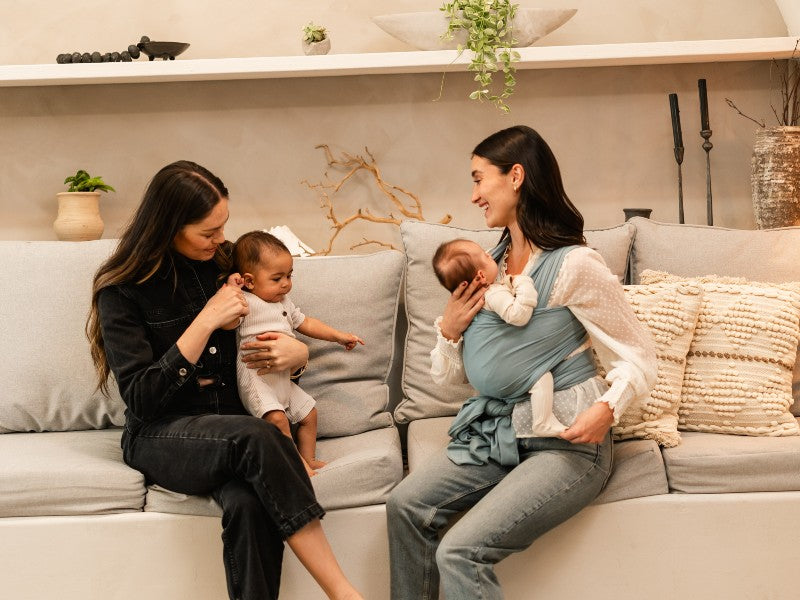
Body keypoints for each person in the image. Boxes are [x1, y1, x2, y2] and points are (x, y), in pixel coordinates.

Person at [387, 126, 657, 599]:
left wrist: (607, 409)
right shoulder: (485, 263)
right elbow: (456, 367)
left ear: (515, 176)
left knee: (459, 551)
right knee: (405, 505)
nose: (472, 195)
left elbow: (639, 354)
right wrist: (449, 332)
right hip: (500, 433)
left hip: (566, 443)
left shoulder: (574, 265)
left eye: (478, 179)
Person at [86, 160, 363, 600]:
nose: (220, 242)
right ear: (169, 225)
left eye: (222, 228)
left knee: (250, 503)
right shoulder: (123, 290)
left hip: (235, 424)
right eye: (207, 232)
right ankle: (344, 592)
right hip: (163, 434)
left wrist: (299, 355)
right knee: (254, 437)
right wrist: (206, 320)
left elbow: (275, 330)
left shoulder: (227, 263)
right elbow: (142, 399)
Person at [230, 230, 364, 477]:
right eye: (277, 278)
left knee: (309, 413)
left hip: (282, 379)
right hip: (256, 378)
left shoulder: (284, 303)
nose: (286, 284)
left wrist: (338, 336)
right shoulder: (244, 302)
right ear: (249, 281)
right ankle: (297, 467)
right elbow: (226, 324)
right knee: (278, 422)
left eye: (289, 276)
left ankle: (308, 458)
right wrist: (231, 292)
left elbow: (307, 323)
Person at [431, 237, 563, 437]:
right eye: (485, 255)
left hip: (483, 380)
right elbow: (518, 315)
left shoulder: (476, 302)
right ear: (481, 274)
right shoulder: (493, 293)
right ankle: (542, 421)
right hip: (503, 376)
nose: (491, 254)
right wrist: (524, 283)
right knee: (541, 376)